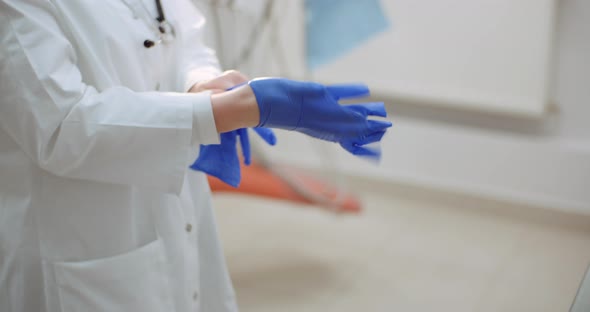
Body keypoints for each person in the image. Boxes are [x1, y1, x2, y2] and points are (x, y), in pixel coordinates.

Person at [0, 1, 391, 311]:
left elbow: (182, 37)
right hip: (76, 240)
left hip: (174, 211)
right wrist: (224, 111)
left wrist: (204, 84)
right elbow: (62, 127)